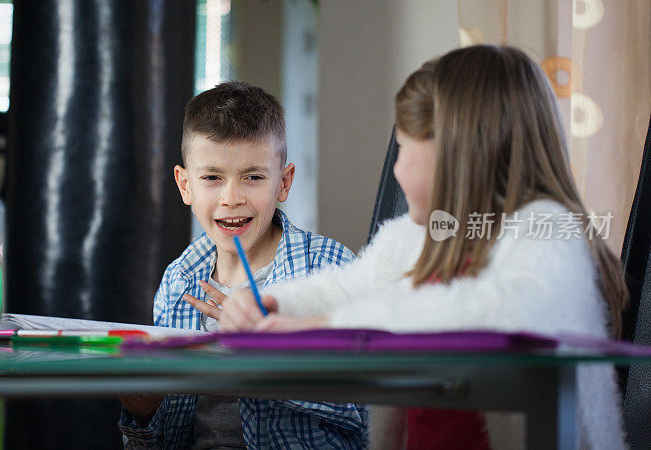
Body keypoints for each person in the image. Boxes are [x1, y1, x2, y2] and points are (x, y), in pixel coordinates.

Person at [216, 46, 629, 448]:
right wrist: (271, 304)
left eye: (405, 148)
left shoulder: (548, 228)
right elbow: (345, 289)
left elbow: (503, 313)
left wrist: (329, 328)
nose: (395, 168)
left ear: (458, 152)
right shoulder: (413, 236)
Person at [117, 81, 368, 449]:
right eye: (212, 178)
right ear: (185, 185)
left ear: (283, 183)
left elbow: (365, 411)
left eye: (253, 177)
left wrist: (265, 354)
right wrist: (145, 413)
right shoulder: (178, 281)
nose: (232, 198)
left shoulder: (331, 268)